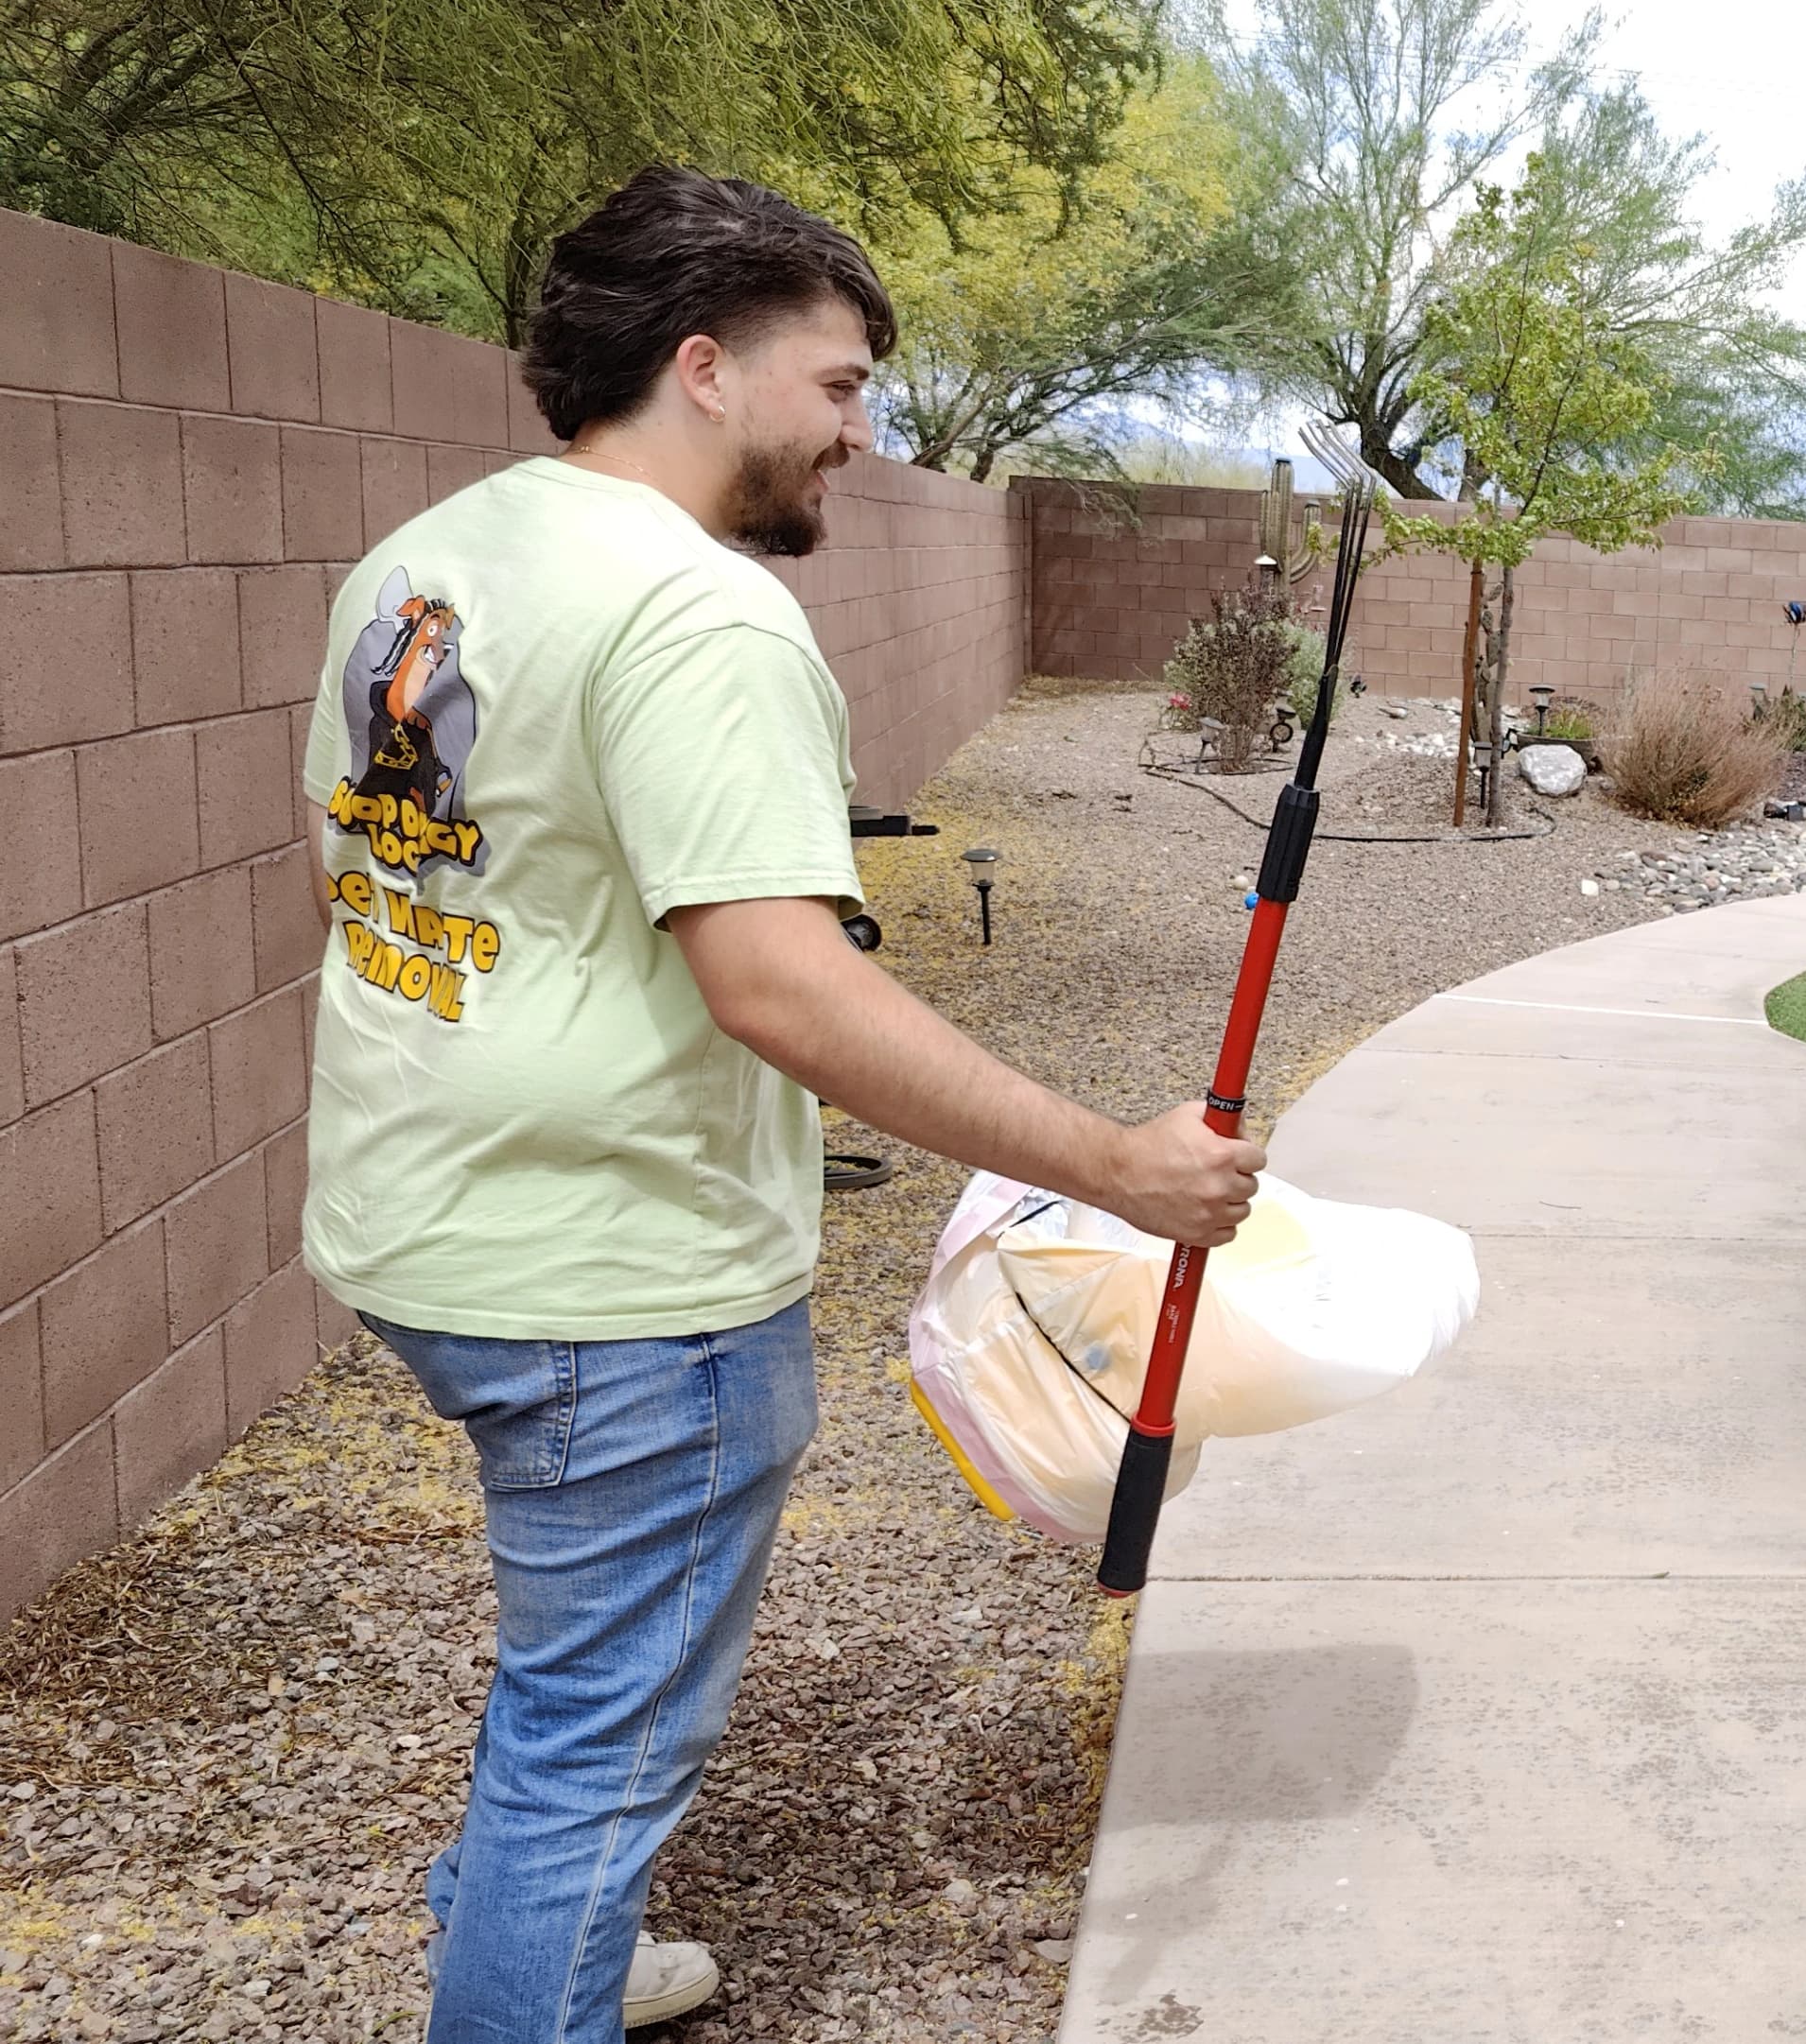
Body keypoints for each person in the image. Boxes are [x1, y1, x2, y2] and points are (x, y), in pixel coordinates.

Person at [298, 166, 1262, 2041]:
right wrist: (1114, 1167)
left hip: (421, 1225)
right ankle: (541, 1938)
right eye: (836, 385)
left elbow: (398, 882)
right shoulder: (700, 618)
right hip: (613, 1283)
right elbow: (779, 981)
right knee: (597, 1738)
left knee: (575, 1672)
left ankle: (543, 1919)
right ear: (703, 367)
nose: (860, 432)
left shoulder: (423, 564)